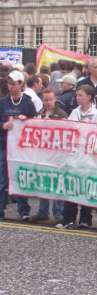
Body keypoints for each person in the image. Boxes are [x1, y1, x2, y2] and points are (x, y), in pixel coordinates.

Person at [56, 85, 97, 229]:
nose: (77, 97)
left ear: (89, 97)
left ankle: (86, 219)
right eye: (77, 95)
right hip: (75, 155)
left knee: (87, 187)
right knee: (72, 185)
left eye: (80, 95)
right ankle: (69, 218)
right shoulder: (75, 112)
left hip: (89, 155)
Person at [0, 70, 36, 221]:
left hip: (21, 148)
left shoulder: (28, 102)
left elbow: (36, 123)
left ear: (21, 84)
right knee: (2, 180)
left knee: (20, 178)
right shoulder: (2, 102)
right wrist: (3, 125)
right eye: (9, 83)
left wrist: (26, 119)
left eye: (13, 83)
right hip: (4, 145)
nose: (10, 86)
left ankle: (24, 211)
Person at [29, 88, 67, 224]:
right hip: (43, 154)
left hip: (57, 155)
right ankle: (43, 212)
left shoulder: (61, 114)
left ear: (55, 99)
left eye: (51, 99)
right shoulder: (39, 113)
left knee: (57, 183)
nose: (48, 102)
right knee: (43, 182)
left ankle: (58, 214)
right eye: (45, 100)